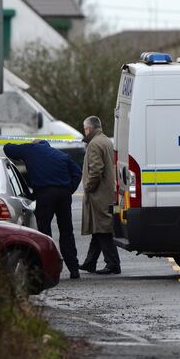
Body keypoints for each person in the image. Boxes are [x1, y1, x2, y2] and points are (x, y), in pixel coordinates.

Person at [3, 140, 83, 279]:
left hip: (44, 194)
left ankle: (47, 269)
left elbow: (7, 148)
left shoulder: (31, 149)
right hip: (63, 194)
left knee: (44, 232)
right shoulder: (61, 155)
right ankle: (74, 269)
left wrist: (25, 148)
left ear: (36, 144)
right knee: (66, 231)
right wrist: (70, 189)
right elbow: (77, 171)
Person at [78, 116, 121, 275]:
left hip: (98, 194)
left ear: (89, 128)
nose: (84, 131)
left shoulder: (94, 144)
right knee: (99, 229)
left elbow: (96, 170)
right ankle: (90, 263)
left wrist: (88, 187)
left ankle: (113, 264)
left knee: (103, 229)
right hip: (107, 191)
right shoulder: (105, 141)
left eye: (85, 128)